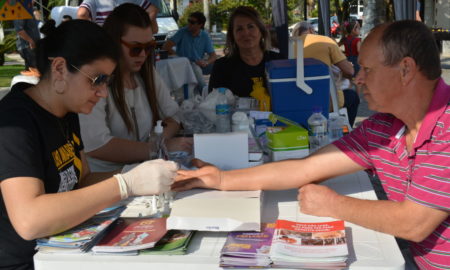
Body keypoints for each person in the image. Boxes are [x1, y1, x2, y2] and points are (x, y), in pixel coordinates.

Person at [174, 20, 449, 270]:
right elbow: (306, 168)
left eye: (367, 69)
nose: (358, 78)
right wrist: (221, 178)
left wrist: (334, 204)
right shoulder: (384, 126)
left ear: (405, 69)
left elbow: (414, 223)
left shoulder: (446, 126)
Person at [0, 19, 177, 270]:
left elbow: (82, 180)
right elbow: (29, 220)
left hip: (67, 250)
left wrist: (143, 176)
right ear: (60, 69)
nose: (104, 92)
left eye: (108, 81)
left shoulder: (67, 112)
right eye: (97, 79)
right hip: (27, 262)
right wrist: (126, 184)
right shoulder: (14, 122)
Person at [79, 3, 190, 173]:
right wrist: (155, 147)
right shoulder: (96, 80)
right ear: (114, 43)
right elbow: (96, 144)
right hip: (107, 179)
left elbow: (174, 115)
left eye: (149, 47)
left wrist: (157, 139)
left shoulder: (147, 74)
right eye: (136, 48)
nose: (143, 55)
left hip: (146, 169)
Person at [208, 6, 282, 111]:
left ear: (261, 31)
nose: (246, 33)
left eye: (250, 26)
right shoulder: (222, 66)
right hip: (237, 126)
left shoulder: (279, 62)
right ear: (232, 36)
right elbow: (213, 107)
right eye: (239, 29)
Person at [292, 21, 359, 127]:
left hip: (295, 100)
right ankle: (346, 133)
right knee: (353, 96)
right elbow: (349, 71)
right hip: (327, 100)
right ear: (311, 30)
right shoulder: (325, 41)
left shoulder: (290, 45)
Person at [162, 11, 217, 92]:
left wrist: (206, 62)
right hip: (183, 64)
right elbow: (166, 46)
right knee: (195, 68)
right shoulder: (182, 32)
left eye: (192, 22)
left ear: (200, 25)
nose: (189, 24)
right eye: (189, 21)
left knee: (219, 66)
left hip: (199, 63)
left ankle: (219, 90)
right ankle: (205, 91)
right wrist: (179, 57)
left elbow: (213, 56)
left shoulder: (204, 36)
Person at [77, 0, 159, 33]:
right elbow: (153, 10)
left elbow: (82, 14)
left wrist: (92, 35)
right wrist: (139, 30)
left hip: (104, 46)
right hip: (129, 48)